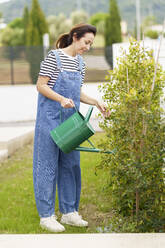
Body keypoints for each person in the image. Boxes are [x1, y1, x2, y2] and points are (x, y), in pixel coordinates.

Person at [33, 23, 109, 233]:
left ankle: (69, 213)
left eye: (91, 44)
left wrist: (95, 102)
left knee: (71, 166)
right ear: (75, 37)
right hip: (50, 119)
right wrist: (61, 99)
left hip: (71, 121)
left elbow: (77, 93)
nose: (88, 47)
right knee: (46, 167)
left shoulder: (80, 64)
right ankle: (46, 216)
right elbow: (41, 85)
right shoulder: (53, 57)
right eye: (86, 42)